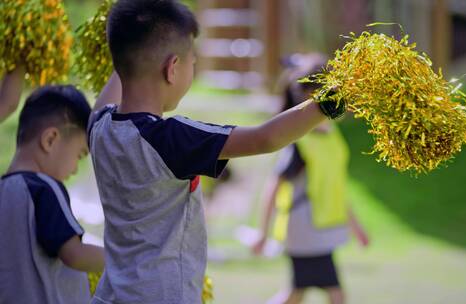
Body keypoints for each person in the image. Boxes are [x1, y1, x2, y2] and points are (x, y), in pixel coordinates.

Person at [87, 0, 347, 303]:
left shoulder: (99, 127)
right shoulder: (171, 139)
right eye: (193, 62)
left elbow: (126, 60)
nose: (193, 70)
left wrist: (130, 22)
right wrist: (332, 100)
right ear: (172, 68)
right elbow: (265, 139)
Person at [252, 54, 370, 304]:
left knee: (296, 295)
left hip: (320, 229)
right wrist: (263, 233)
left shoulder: (332, 135)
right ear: (307, 97)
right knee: (335, 295)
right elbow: (274, 187)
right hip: (304, 230)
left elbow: (333, 185)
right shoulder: (296, 141)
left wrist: (355, 225)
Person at [0, 85, 105, 304]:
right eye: (79, 154)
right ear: (50, 140)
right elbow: (74, 254)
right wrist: (126, 258)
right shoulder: (45, 188)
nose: (75, 168)